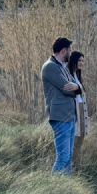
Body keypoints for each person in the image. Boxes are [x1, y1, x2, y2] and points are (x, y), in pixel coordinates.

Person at [41, 37, 80, 174]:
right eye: (69, 50)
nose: (71, 53)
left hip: (69, 116)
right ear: (64, 51)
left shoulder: (61, 66)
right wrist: (76, 89)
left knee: (68, 157)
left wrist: (76, 87)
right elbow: (67, 89)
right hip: (60, 117)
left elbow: (76, 87)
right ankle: (53, 188)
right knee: (62, 158)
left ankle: (67, 188)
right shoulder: (50, 67)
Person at [68, 51, 89, 172]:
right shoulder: (69, 75)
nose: (81, 63)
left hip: (82, 111)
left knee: (79, 143)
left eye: (83, 61)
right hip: (75, 111)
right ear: (74, 60)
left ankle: (77, 169)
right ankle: (72, 169)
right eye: (79, 60)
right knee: (74, 143)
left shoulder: (78, 76)